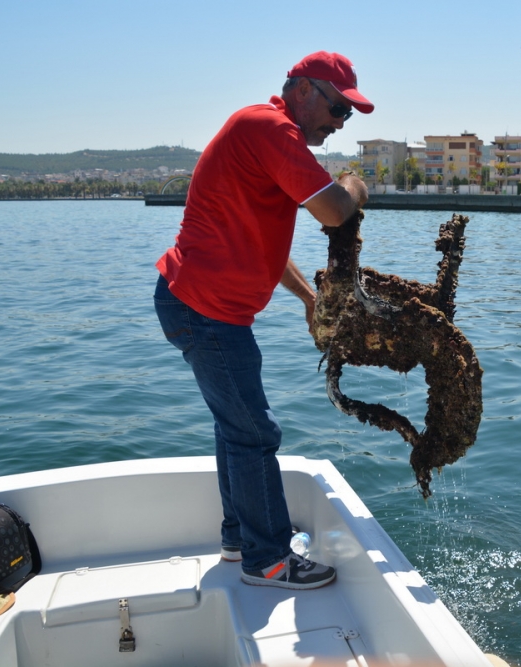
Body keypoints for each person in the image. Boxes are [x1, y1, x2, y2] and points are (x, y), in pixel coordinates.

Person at [153, 51, 373, 590]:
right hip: (205, 310)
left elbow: (262, 248)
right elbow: (334, 211)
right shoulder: (268, 127)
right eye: (338, 108)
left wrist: (306, 298)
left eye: (349, 116)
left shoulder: (272, 138)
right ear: (303, 90)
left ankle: (239, 538)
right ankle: (268, 560)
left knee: (236, 429)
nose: (341, 123)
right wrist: (354, 183)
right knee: (254, 432)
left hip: (206, 308)